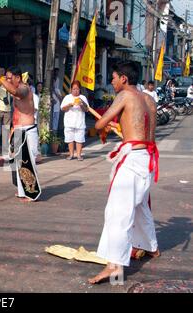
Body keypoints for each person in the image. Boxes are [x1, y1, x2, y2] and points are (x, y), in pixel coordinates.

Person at [89, 61, 160, 284]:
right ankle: (151, 247)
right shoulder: (149, 98)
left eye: (113, 77)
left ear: (124, 79)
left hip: (133, 158)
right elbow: (139, 126)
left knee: (117, 213)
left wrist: (106, 124)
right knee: (140, 206)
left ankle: (114, 265)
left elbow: (100, 124)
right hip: (147, 157)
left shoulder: (125, 96)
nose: (111, 81)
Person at [0, 66, 41, 202]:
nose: (7, 80)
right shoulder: (14, 93)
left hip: (28, 130)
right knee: (18, 164)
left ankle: (31, 193)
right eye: (6, 78)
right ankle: (22, 191)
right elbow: (16, 114)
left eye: (9, 78)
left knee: (27, 163)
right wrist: (12, 132)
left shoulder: (25, 89)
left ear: (18, 78)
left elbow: (14, 90)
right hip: (18, 130)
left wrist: (0, 78)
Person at [61, 80, 89, 161]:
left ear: (80, 89)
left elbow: (86, 109)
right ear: (71, 89)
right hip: (69, 122)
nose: (75, 91)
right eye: (74, 89)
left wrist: (82, 104)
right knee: (70, 139)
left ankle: (79, 155)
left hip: (79, 122)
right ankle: (71, 154)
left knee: (79, 139)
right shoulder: (67, 97)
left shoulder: (82, 98)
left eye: (77, 89)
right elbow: (63, 108)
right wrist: (69, 105)